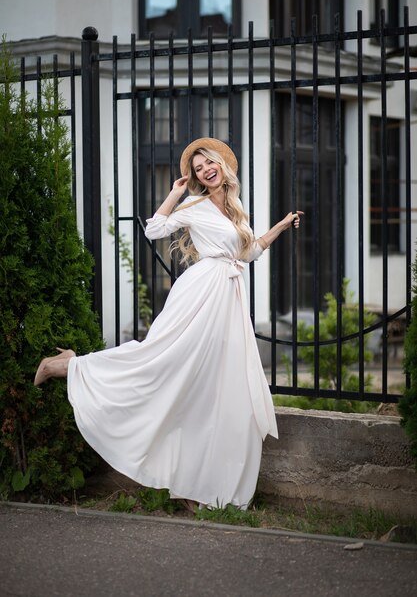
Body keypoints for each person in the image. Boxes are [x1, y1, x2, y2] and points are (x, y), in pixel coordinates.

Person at [34, 137, 303, 512]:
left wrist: (280, 226)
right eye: (197, 169)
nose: (205, 170)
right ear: (194, 177)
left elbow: (248, 252)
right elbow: (155, 229)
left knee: (214, 389)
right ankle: (68, 366)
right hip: (200, 294)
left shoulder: (235, 207)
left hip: (227, 300)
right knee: (161, 363)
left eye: (209, 163)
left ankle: (198, 490)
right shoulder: (194, 206)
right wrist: (175, 193)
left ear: (222, 166)